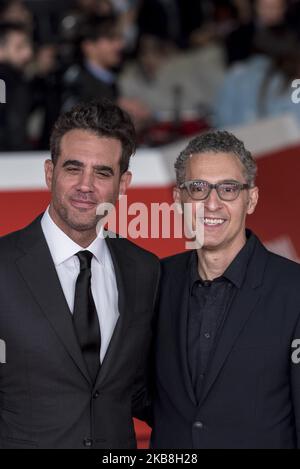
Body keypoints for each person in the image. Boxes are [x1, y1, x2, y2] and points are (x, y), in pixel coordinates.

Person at [0, 100, 160, 449]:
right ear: (49, 172)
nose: (85, 185)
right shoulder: (3, 266)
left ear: (123, 183)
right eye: (73, 168)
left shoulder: (144, 270)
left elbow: (137, 389)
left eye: (102, 172)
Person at [151, 130, 300, 449]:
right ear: (179, 201)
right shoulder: (154, 282)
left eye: (228, 189)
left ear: (252, 199)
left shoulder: (294, 291)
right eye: (198, 188)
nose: (212, 203)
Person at [0, 21, 33, 150]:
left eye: (29, 46)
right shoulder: (5, 81)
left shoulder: (18, 79)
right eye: (19, 47)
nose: (28, 53)